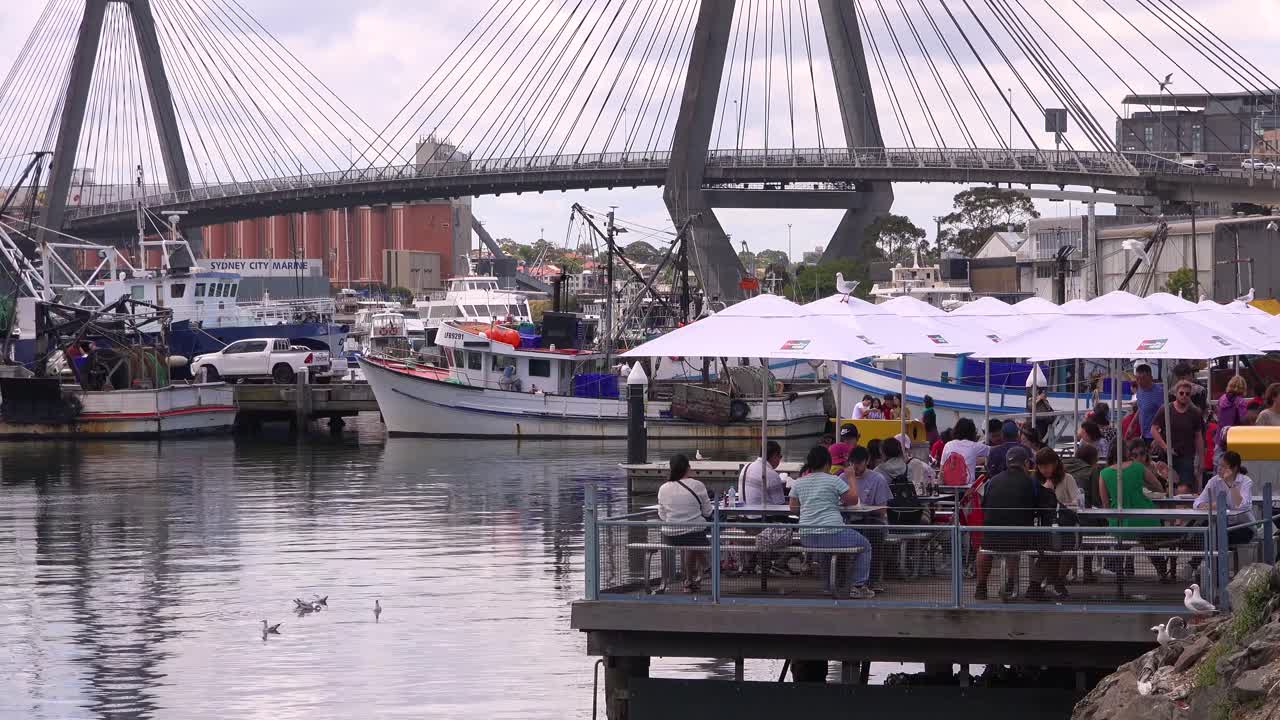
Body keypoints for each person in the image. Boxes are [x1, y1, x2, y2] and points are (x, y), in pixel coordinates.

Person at [789, 445, 875, 599]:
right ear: (827, 463)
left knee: (826, 551)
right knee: (865, 546)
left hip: (807, 536)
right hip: (833, 532)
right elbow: (853, 500)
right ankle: (858, 585)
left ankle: (828, 586)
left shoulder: (799, 483)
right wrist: (851, 478)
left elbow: (794, 509)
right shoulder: (833, 480)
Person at [975, 446, 1041, 601]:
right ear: (1026, 463)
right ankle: (1015, 582)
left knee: (983, 549)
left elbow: (984, 505)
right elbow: (1038, 507)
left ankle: (981, 587)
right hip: (1021, 538)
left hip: (991, 537)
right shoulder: (1031, 482)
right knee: (1020, 543)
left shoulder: (992, 482)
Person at [1098, 439, 1170, 580]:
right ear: (1127, 453)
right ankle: (1162, 572)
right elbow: (1158, 487)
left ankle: (1118, 574)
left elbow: (1105, 505)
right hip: (1145, 519)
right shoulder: (1138, 467)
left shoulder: (1104, 473)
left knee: (1119, 542)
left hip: (1120, 522)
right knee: (1151, 545)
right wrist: (1141, 484)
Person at [656, 454, 713, 592]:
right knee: (692, 538)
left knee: (688, 540)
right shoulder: (697, 485)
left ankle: (690, 579)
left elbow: (662, 515)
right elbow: (708, 512)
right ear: (688, 467)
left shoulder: (663, 488)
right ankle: (704, 569)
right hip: (694, 535)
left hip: (670, 536)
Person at [1030, 447, 1081, 599]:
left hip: (1064, 527)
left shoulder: (1067, 479)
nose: (1044, 469)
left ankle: (1045, 584)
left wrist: (1060, 504)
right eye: (1041, 466)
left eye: (1048, 465)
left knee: (1054, 546)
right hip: (1043, 528)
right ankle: (1053, 582)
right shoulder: (1035, 481)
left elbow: (1077, 502)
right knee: (1046, 548)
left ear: (1056, 464)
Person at [843, 445, 891, 592]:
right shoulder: (842, 478)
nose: (855, 467)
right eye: (852, 463)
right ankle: (843, 579)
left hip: (873, 520)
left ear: (867, 461)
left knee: (874, 534)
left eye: (859, 463)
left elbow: (882, 510)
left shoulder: (877, 479)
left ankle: (874, 580)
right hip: (849, 520)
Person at [1152, 380, 1206, 492]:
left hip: (1186, 456)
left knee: (1184, 489)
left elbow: (1198, 437)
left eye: (1187, 394)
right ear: (1176, 393)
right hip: (1167, 455)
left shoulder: (1194, 412)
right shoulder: (1166, 409)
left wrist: (1201, 460)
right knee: (1166, 488)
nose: (1184, 396)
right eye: (1181, 393)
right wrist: (1165, 446)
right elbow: (1154, 429)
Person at [940, 418, 990, 485]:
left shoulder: (948, 445)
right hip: (967, 490)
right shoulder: (974, 446)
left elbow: (941, 469)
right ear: (972, 432)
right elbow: (994, 451)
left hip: (948, 488)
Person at [1215, 376, 1251, 466]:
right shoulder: (1240, 401)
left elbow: (1218, 415)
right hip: (1235, 438)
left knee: (1219, 466)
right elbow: (1243, 420)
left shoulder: (1222, 398)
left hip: (1220, 438)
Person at [739, 440, 786, 506]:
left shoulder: (746, 467)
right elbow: (780, 503)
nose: (779, 460)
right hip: (761, 515)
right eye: (780, 457)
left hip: (743, 513)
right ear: (775, 455)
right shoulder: (771, 474)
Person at [1132, 361, 1164, 444]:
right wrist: (1131, 425)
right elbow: (1141, 408)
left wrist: (1159, 438)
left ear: (1150, 377)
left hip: (1154, 436)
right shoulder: (1140, 390)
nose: (1139, 382)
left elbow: (1165, 416)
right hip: (1143, 434)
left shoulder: (1159, 392)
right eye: (1137, 378)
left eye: (1142, 378)